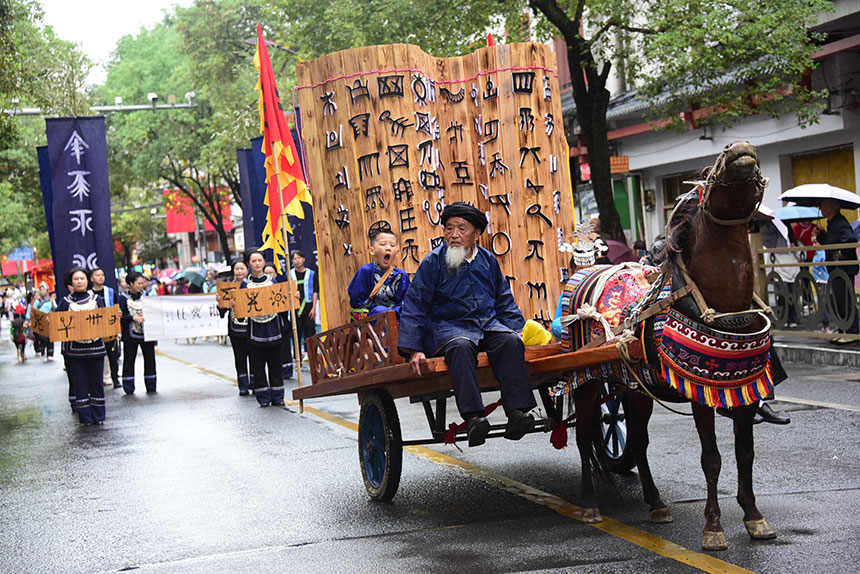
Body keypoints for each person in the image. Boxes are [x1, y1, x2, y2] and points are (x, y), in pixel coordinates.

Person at [398, 202, 537, 447]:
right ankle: (473, 418)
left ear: (477, 233)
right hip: (448, 328)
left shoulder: (488, 260)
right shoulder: (433, 262)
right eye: (449, 228)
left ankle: (517, 413)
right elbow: (415, 304)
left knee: (511, 341)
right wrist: (414, 348)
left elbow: (503, 299)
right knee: (461, 347)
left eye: (462, 228)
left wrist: (518, 329)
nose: (454, 234)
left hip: (487, 325)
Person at [58, 268, 107, 425]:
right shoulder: (65, 303)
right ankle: (85, 417)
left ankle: (98, 416)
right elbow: (58, 323)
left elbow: (105, 320)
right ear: (71, 283)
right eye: (76, 279)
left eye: (82, 278)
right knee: (80, 384)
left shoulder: (97, 300)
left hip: (96, 349)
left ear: (88, 280)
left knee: (97, 383)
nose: (79, 281)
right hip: (75, 352)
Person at [241, 250, 286, 407]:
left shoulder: (273, 282)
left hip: (274, 328)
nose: (257, 263)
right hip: (255, 331)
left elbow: (283, 307)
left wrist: (293, 298)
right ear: (249, 264)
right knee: (258, 367)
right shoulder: (245, 284)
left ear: (264, 261)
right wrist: (236, 306)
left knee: (275, 365)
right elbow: (241, 313)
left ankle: (278, 396)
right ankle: (263, 397)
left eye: (260, 260)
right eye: (254, 261)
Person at [817, 198, 859, 343]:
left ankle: (852, 332)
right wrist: (822, 236)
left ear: (832, 207)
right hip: (835, 269)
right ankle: (843, 330)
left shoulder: (840, 222)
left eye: (822, 204)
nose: (820, 207)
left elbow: (850, 240)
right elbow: (832, 242)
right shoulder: (832, 223)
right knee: (838, 300)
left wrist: (842, 252)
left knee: (845, 299)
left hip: (844, 268)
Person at [348, 228, 411, 318]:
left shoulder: (402, 276)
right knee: (381, 311)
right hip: (373, 320)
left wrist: (396, 312)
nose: (388, 248)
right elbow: (357, 302)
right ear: (372, 250)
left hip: (396, 318)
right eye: (383, 244)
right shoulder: (366, 271)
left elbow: (407, 302)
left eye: (392, 245)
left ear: (397, 252)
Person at [218, 259, 254, 396]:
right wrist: (220, 302)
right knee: (240, 358)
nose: (239, 271)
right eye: (237, 269)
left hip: (252, 328)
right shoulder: (227, 288)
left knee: (254, 358)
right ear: (233, 271)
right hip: (235, 330)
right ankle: (243, 386)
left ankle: (255, 383)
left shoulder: (252, 285)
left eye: (242, 268)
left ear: (247, 269)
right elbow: (222, 312)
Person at [119, 271, 157, 394]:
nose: (141, 285)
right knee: (129, 361)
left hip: (147, 333)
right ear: (131, 283)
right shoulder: (122, 298)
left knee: (150, 360)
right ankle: (128, 386)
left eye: (143, 283)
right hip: (130, 335)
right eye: (139, 283)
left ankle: (151, 385)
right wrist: (132, 318)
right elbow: (120, 316)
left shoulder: (147, 296)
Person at [90, 267, 120, 387]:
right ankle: (98, 380)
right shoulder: (89, 294)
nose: (101, 277)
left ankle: (115, 378)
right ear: (92, 278)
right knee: (97, 356)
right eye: (97, 275)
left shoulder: (110, 292)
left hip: (110, 328)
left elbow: (117, 306)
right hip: (95, 329)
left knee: (113, 355)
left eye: (102, 275)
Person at [289, 251, 318, 359]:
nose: (297, 260)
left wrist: (314, 308)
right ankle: (298, 358)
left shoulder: (311, 273)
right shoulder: (290, 274)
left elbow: (315, 290)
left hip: (309, 307)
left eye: (299, 257)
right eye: (294, 258)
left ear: (303, 259)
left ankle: (311, 356)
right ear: (292, 261)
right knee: (296, 333)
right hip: (295, 308)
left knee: (310, 332)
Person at [27, 282, 55, 361]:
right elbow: (33, 310)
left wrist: (53, 302)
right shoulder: (37, 301)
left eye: (44, 290)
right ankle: (43, 350)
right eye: (41, 290)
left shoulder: (50, 300)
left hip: (48, 320)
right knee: (42, 337)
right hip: (40, 321)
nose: (42, 291)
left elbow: (55, 309)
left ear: (47, 290)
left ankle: (50, 353)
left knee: (50, 337)